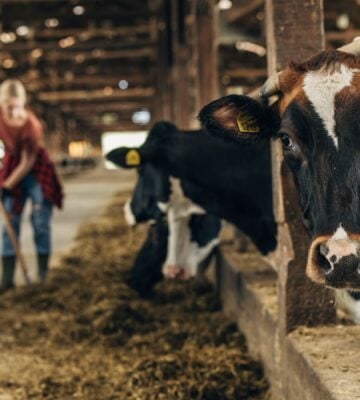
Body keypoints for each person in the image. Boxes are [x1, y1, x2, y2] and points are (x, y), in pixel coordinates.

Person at [0, 79, 63, 291]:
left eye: (15, 106)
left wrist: (6, 186)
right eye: (6, 106)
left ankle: (42, 277)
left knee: (40, 221)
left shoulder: (31, 125)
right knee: (9, 221)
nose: (11, 111)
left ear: (22, 103)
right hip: (10, 166)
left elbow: (28, 161)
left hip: (36, 170)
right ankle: (7, 280)